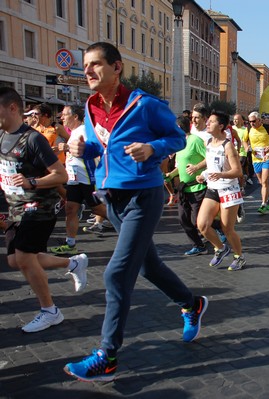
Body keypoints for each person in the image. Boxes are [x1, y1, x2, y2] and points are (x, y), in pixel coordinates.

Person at [64, 42, 207, 382]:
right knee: (148, 266)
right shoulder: (91, 106)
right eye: (86, 66)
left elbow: (178, 138)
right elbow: (101, 147)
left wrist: (152, 147)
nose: (88, 71)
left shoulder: (145, 105)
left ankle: (107, 355)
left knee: (117, 273)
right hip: (112, 198)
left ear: (117, 67)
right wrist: (81, 147)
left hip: (144, 195)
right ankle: (192, 304)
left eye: (96, 64)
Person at [0, 87, 88, 333]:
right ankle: (72, 263)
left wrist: (32, 182)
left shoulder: (33, 139)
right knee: (15, 260)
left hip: (39, 206)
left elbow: (59, 174)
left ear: (12, 108)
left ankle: (50, 311)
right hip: (15, 206)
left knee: (26, 258)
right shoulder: (1, 137)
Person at [49, 105, 108, 256]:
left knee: (98, 209)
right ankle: (70, 244)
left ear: (75, 117)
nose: (61, 118)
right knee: (70, 209)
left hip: (87, 177)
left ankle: (129, 227)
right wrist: (63, 149)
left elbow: (90, 150)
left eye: (64, 115)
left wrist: (67, 148)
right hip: (74, 178)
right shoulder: (74, 132)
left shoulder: (84, 130)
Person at [196, 111, 246, 271]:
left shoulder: (228, 145)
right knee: (202, 225)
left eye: (211, 121)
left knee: (227, 228)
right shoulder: (209, 142)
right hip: (212, 188)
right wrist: (201, 172)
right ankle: (221, 248)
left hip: (229, 189)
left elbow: (238, 171)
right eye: (208, 121)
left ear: (221, 126)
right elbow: (210, 161)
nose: (208, 123)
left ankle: (239, 257)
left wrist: (221, 174)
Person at [164, 116, 208, 256]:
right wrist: (170, 175)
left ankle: (219, 229)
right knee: (183, 219)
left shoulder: (195, 141)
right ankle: (198, 245)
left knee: (197, 221)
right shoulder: (179, 144)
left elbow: (209, 158)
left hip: (198, 187)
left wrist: (196, 167)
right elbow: (181, 166)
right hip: (184, 188)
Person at [242, 111, 269, 214]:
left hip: (267, 157)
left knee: (265, 181)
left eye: (253, 121)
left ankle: (263, 204)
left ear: (259, 120)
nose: (251, 123)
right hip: (255, 158)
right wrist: (246, 147)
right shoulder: (248, 129)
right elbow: (244, 140)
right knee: (261, 182)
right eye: (249, 121)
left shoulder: (267, 127)